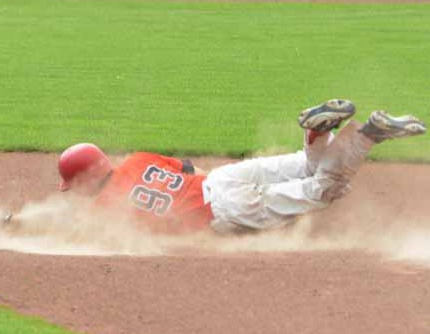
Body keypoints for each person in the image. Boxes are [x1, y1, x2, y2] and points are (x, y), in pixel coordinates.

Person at [56, 99, 426, 234]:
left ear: (84, 180)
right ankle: (318, 135)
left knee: (322, 189)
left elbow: (78, 232)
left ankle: (367, 136)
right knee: (303, 167)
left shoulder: (105, 210)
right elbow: (188, 168)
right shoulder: (137, 159)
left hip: (225, 210)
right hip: (218, 180)